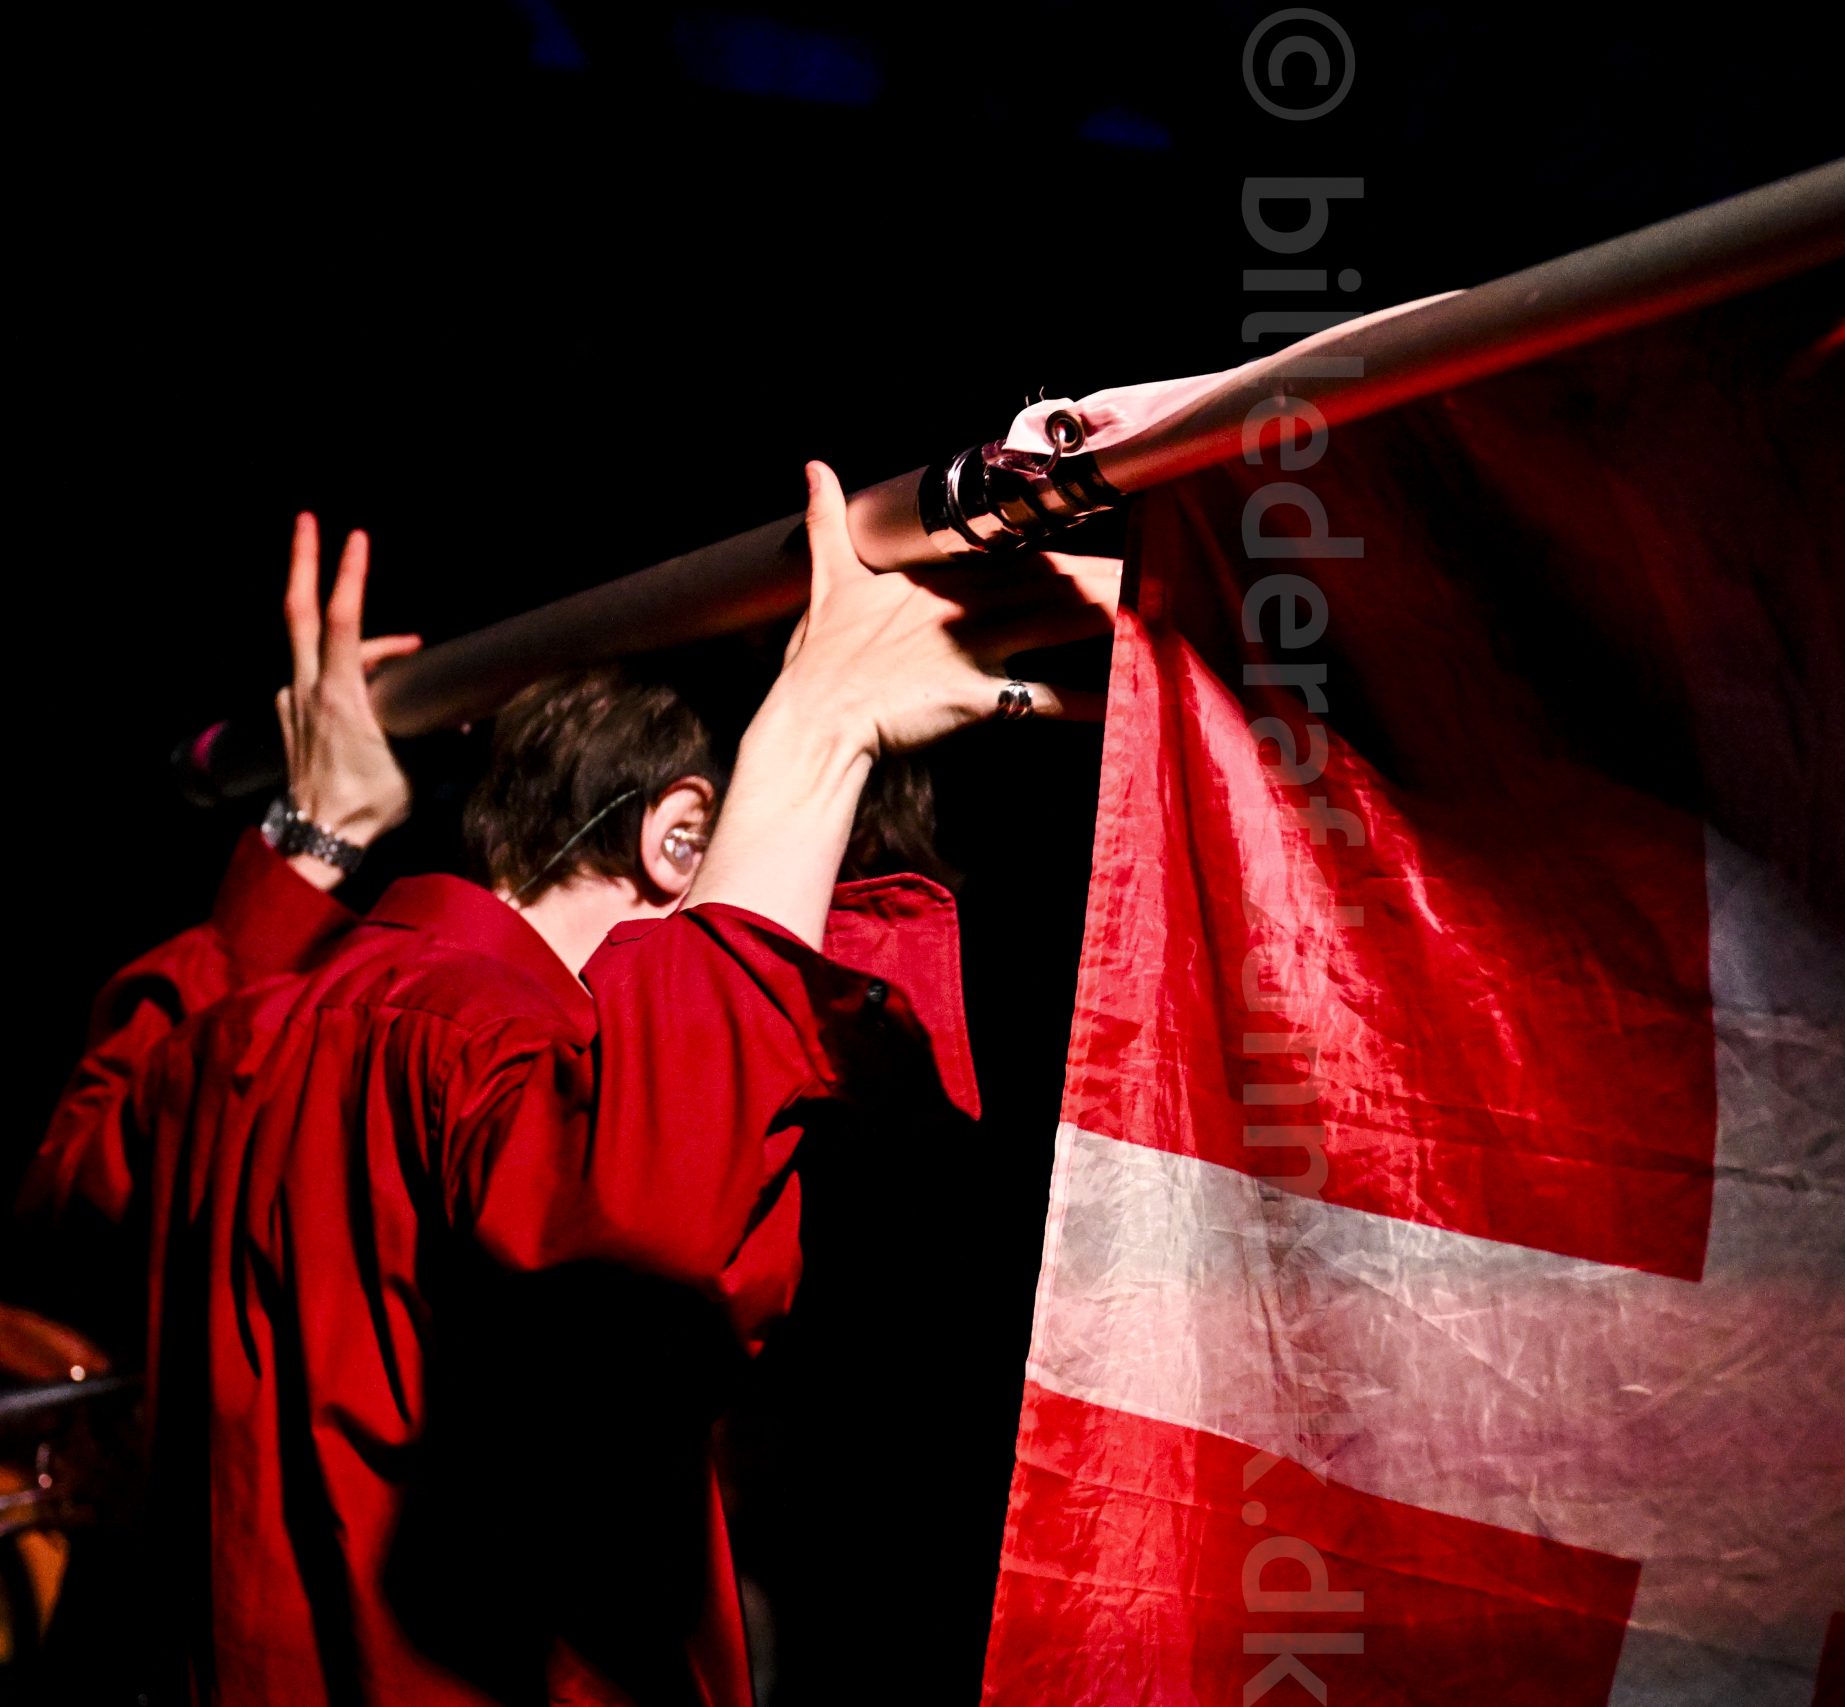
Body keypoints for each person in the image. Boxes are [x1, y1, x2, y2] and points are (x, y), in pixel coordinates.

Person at [14, 464, 1116, 1705]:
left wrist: (315, 830)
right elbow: (650, 1238)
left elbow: (70, 1180)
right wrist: (817, 735)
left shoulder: (236, 1045)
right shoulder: (499, 1055)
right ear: (680, 839)